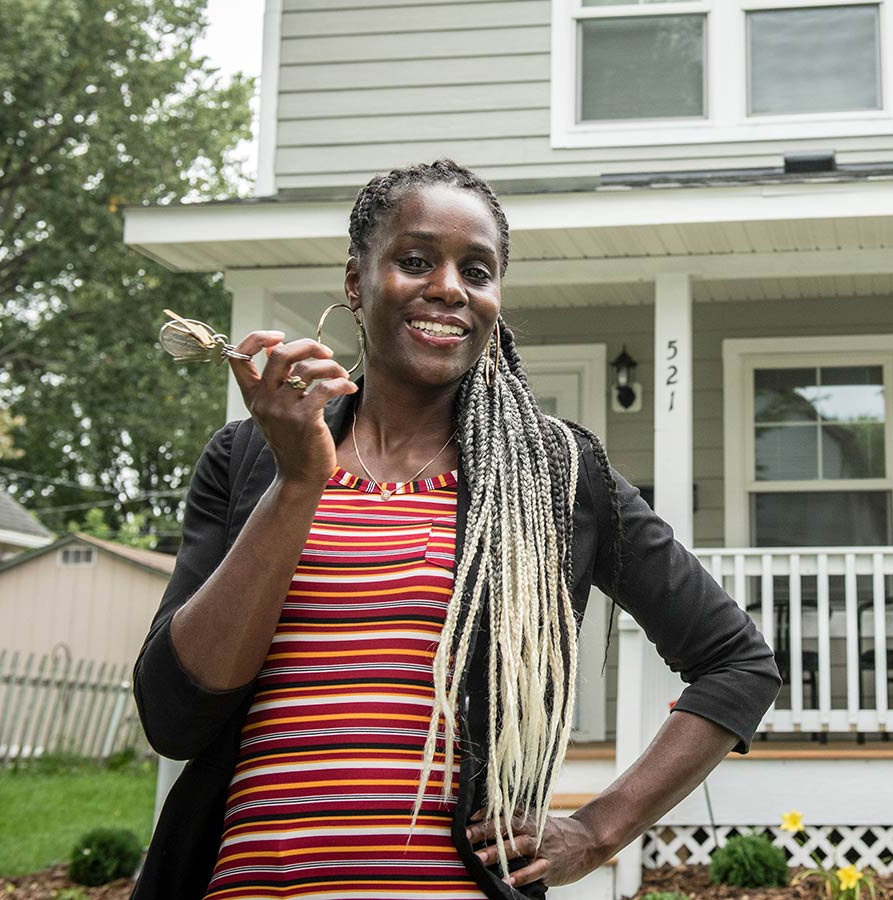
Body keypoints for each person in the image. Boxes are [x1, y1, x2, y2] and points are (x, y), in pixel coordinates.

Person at [132, 159, 781, 900]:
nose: (448, 287)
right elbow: (175, 717)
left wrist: (598, 831)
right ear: (355, 282)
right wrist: (297, 482)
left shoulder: (553, 474)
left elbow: (737, 663)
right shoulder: (249, 460)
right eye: (414, 261)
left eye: (476, 270)